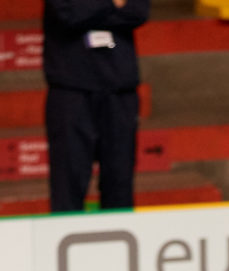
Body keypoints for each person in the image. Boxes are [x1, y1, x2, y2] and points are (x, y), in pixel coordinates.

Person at [43, 0, 150, 211]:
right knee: (68, 185)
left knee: (120, 182)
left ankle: (119, 232)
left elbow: (138, 11)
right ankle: (66, 231)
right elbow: (69, 13)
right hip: (71, 88)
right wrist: (113, 4)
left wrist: (90, 8)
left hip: (120, 88)